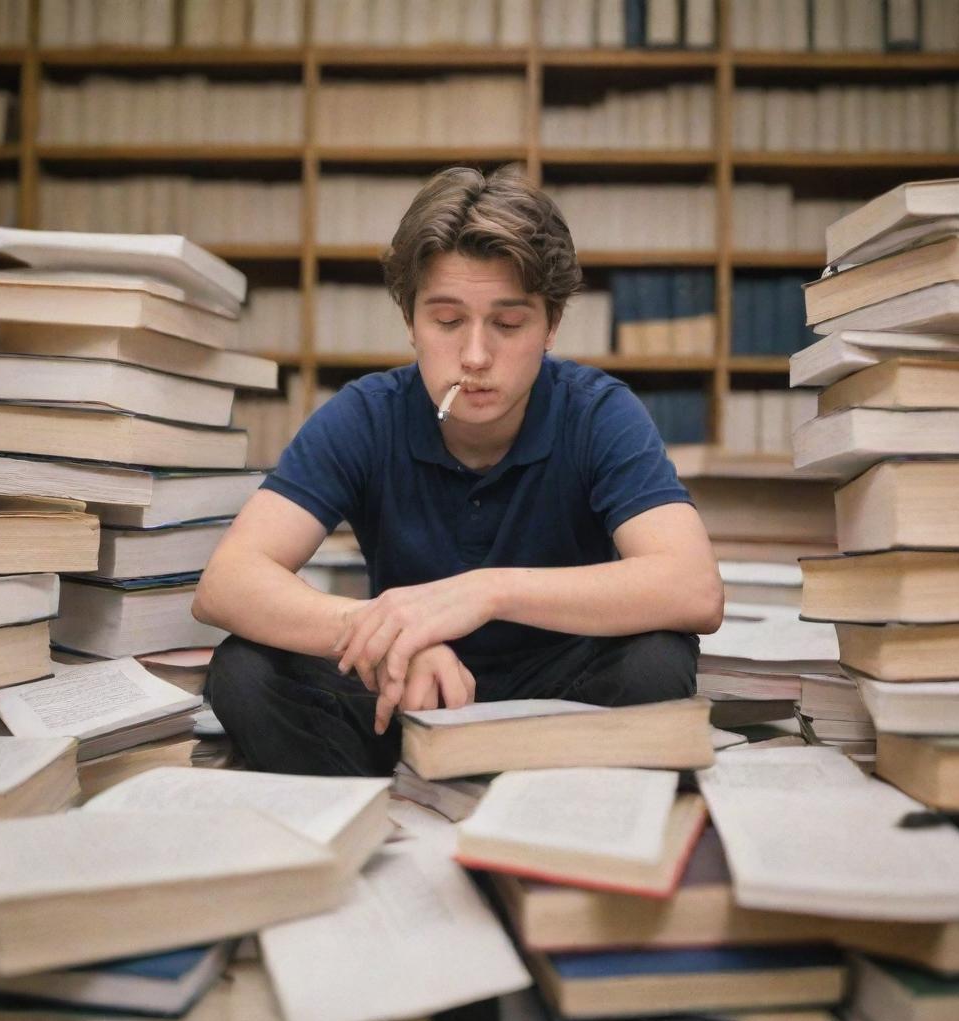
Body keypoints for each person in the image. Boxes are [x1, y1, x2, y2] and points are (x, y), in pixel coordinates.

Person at [193, 165, 724, 777]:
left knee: (657, 660)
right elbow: (227, 582)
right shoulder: (366, 414)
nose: (474, 356)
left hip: (557, 697)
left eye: (508, 323)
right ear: (411, 322)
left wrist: (486, 591)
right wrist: (389, 636)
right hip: (405, 694)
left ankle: (550, 811)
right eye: (447, 322)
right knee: (245, 668)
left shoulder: (597, 411)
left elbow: (694, 589)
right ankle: (371, 818)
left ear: (551, 325)